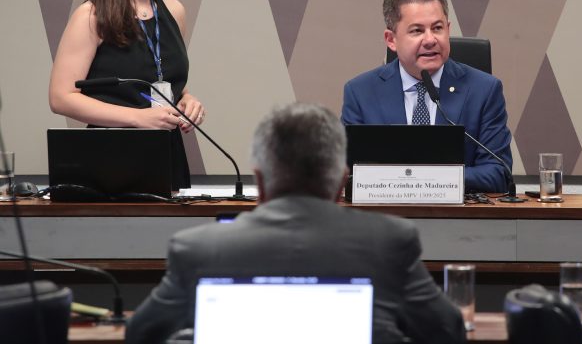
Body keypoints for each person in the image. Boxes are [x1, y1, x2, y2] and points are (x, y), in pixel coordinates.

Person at [125, 103, 466, 344]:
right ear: (341, 182)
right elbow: (448, 332)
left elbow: (141, 334)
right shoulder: (390, 241)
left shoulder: (198, 249)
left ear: (260, 183)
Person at [49, 0, 204, 189]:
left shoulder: (174, 10)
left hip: (166, 152)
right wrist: (137, 118)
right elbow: (61, 97)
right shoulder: (92, 16)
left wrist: (186, 99)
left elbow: (158, 77)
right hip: (111, 158)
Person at [341, 0, 513, 193]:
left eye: (438, 28)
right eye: (417, 31)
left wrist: (426, 179)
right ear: (391, 39)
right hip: (385, 213)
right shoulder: (361, 92)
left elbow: (498, 172)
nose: (430, 39)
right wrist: (423, 179)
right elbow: (347, 173)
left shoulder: (484, 90)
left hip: (460, 213)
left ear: (448, 30)